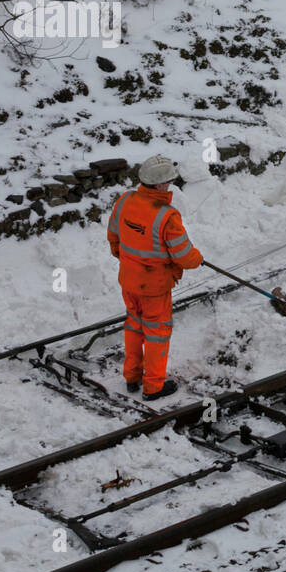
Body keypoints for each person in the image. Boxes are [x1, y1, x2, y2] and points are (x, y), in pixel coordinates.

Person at [105, 155, 202, 400]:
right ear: (159, 185)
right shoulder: (167, 217)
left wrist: (130, 263)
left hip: (129, 281)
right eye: (168, 182)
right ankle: (153, 387)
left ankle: (132, 377)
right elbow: (184, 257)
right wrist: (197, 258)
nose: (169, 186)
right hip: (155, 288)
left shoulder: (125, 200)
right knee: (157, 333)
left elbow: (114, 238)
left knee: (134, 327)